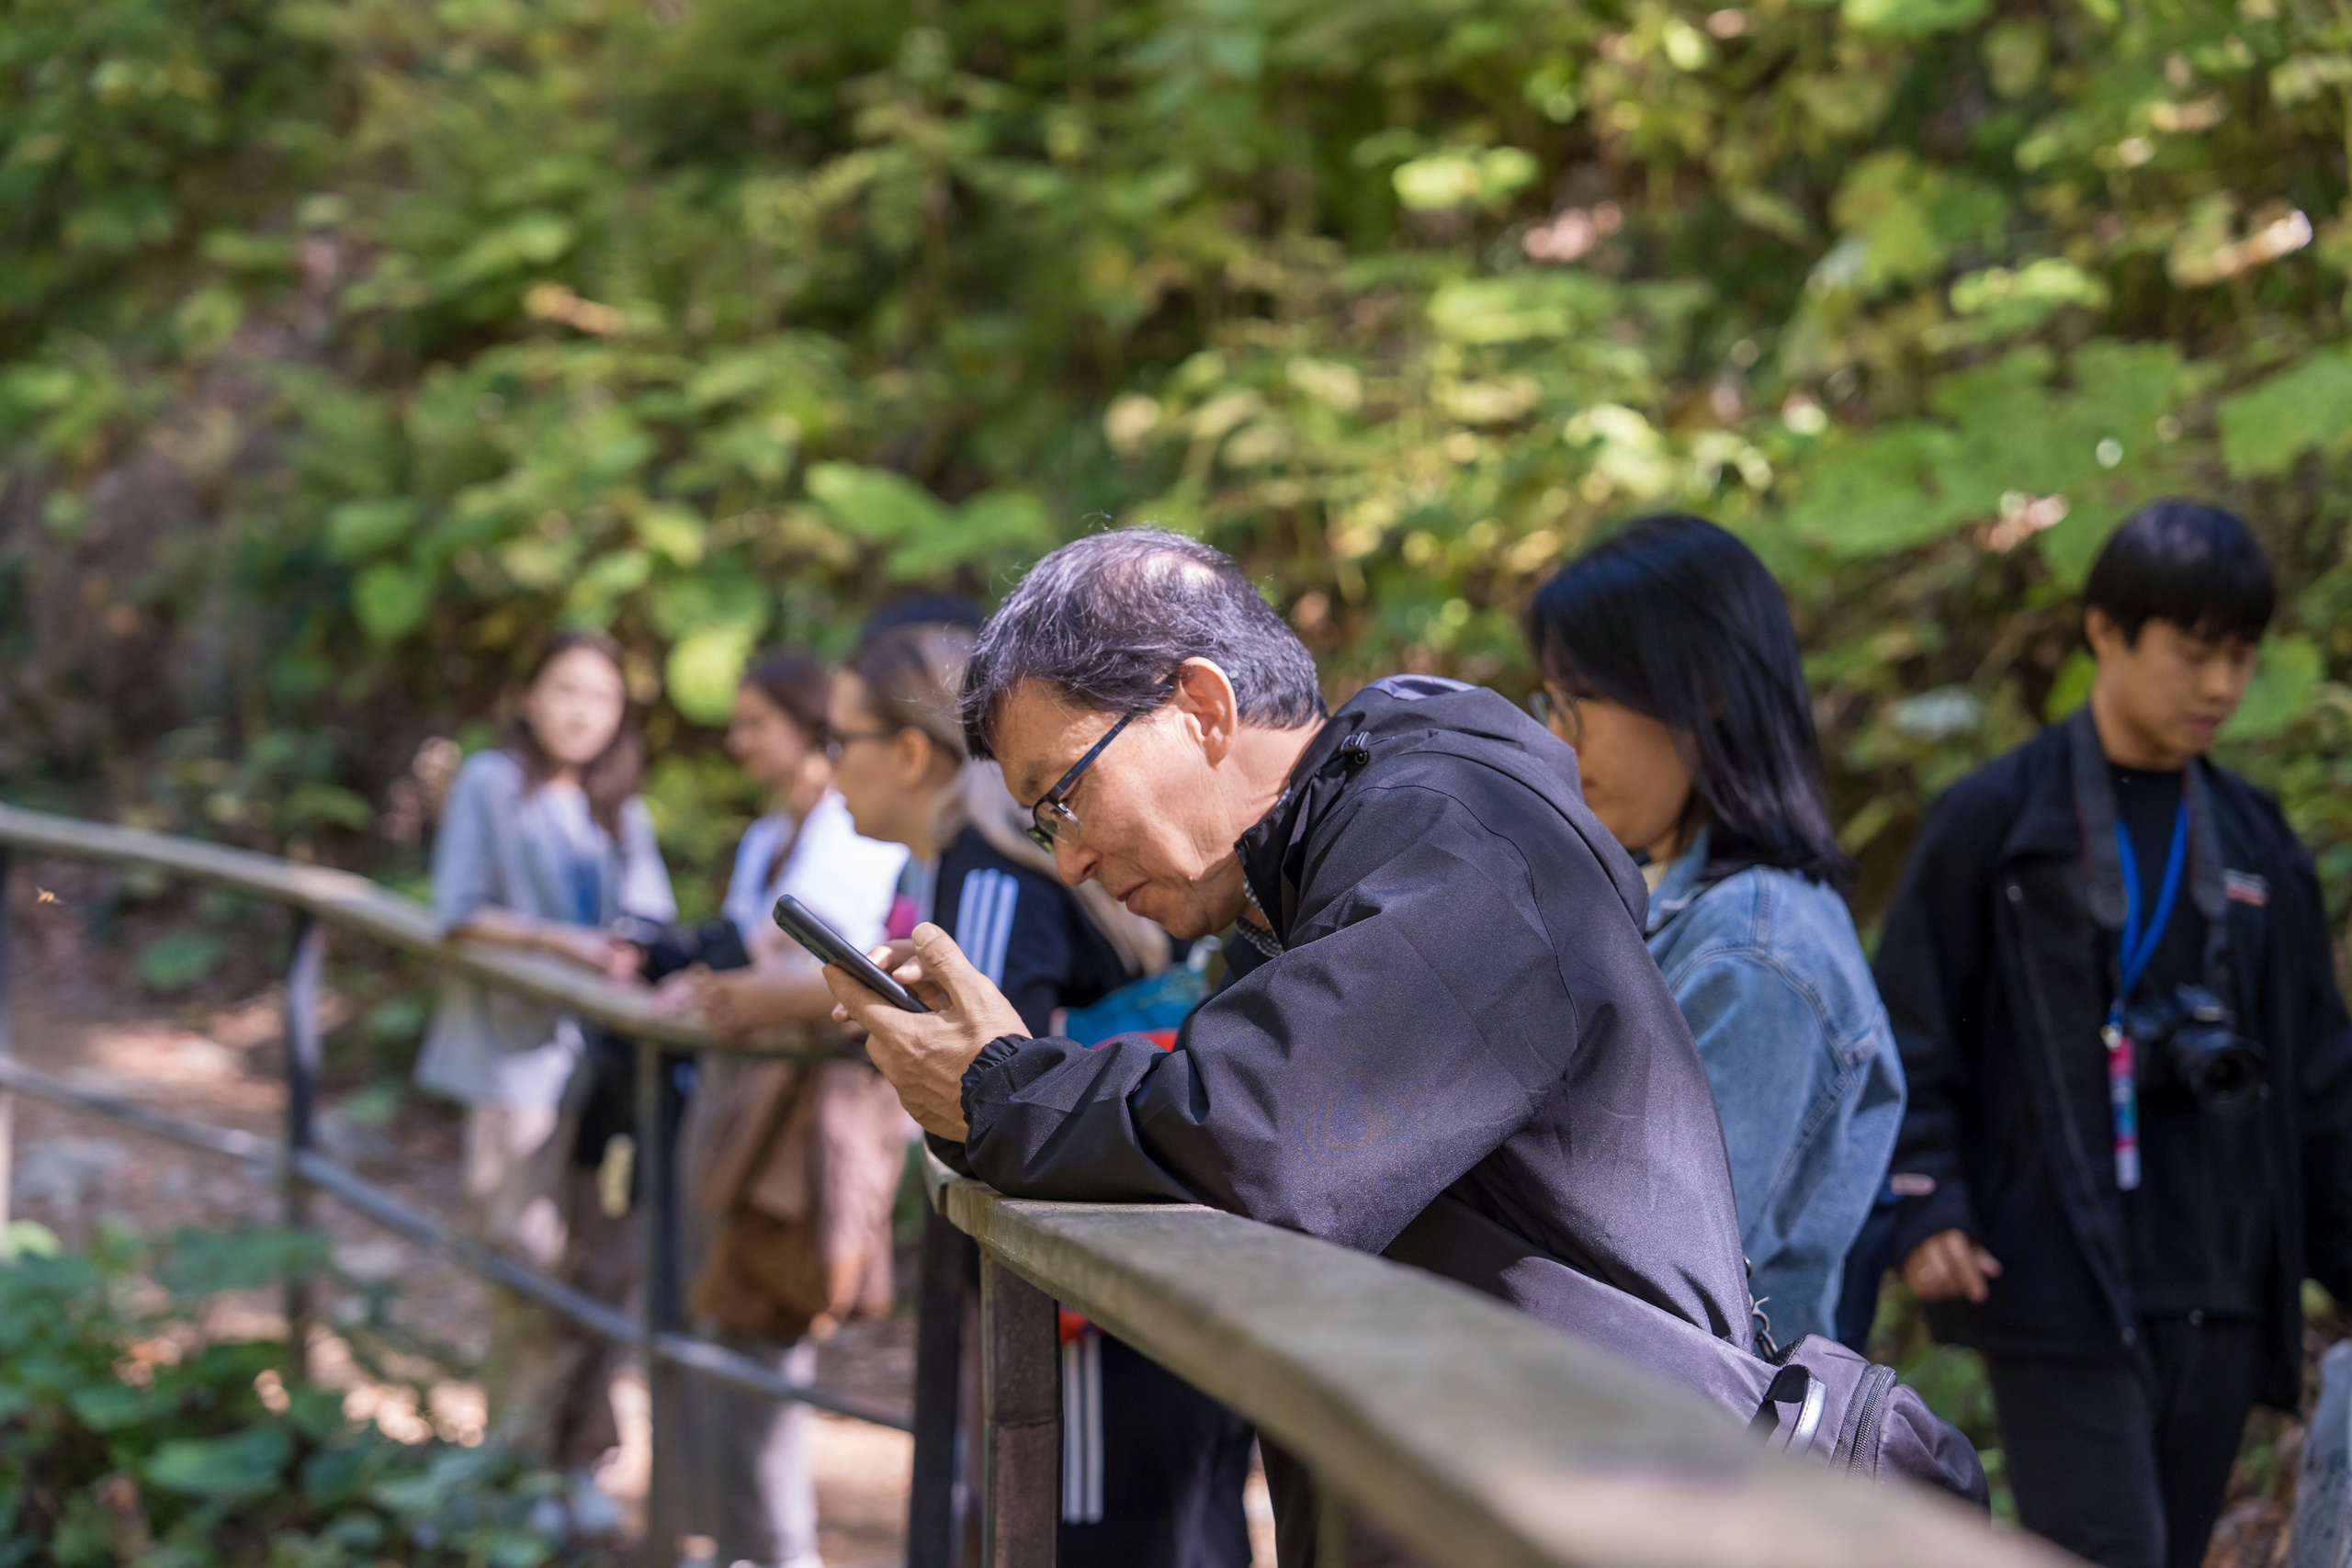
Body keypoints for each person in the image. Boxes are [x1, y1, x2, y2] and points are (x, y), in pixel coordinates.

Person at [822, 527, 1754, 1562]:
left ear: (1202, 708)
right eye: (1046, 828)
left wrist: (1001, 1090)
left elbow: (1269, 1131)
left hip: (1601, 1500)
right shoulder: (1308, 868)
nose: (1074, 859)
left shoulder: (1459, 833)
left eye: (1066, 797)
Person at [1877, 499, 2352, 1568]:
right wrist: (1925, 1202)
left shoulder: (2257, 844)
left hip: (2218, 1290)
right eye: (2193, 655)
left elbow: (2320, 1085)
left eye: (2239, 657)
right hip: (2053, 1282)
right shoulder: (1995, 825)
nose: (2220, 688)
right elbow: (1908, 1029)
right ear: (2104, 631)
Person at [832, 623, 1252, 1568]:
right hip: (1175, 1220)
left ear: (912, 748)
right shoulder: (1006, 852)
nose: (827, 770)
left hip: (1094, 1283)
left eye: (838, 741)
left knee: (1103, 1531)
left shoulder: (985, 865)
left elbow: (985, 1068)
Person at [1523, 514, 1905, 1349]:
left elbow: (1647, 1272)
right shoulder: (1663, 902)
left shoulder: (1756, 953)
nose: (1557, 737)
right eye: (1548, 702)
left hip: (1685, 1448)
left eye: (1579, 699)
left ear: (1702, 694)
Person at [654, 649, 911, 1568]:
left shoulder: (860, 834)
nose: (738, 743)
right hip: (742, 1098)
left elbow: (827, 968)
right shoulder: (774, 832)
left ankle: (770, 1551)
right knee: (719, 1316)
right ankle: (728, 1540)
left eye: (756, 723)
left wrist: (761, 991)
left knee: (759, 1322)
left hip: (808, 1112)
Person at [416, 629, 675, 1529]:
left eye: (600, 698)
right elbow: (458, 915)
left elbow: (651, 922)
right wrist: (559, 942)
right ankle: (515, 1461)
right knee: (520, 1257)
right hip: (510, 1059)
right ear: (527, 693)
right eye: (563, 689)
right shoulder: (493, 783)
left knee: (602, 1265)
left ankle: (580, 1460)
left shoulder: (617, 809)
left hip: (599, 1069)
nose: (579, 712)